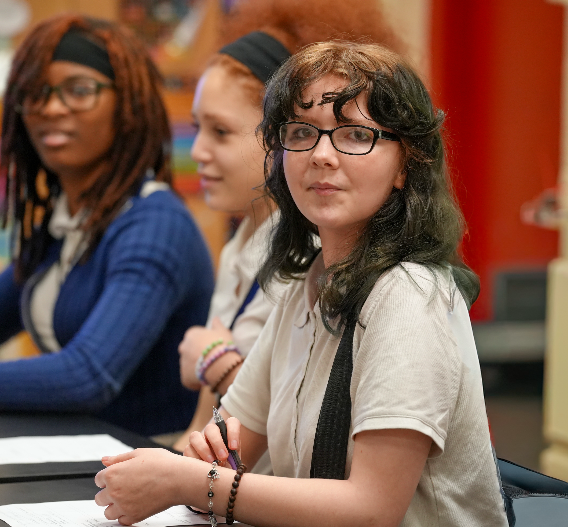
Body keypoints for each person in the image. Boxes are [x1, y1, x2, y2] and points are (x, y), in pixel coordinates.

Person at [94, 42, 508, 526]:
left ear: (406, 164)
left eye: (355, 135)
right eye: (301, 133)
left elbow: (372, 511)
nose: (322, 155)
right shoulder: (308, 284)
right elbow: (227, 449)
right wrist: (205, 464)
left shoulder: (408, 296)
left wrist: (195, 483)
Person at [0, 15, 214, 437]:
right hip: (79, 459)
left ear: (127, 107)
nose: (51, 108)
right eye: (36, 92)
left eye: (79, 90)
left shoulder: (155, 224)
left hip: (152, 468)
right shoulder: (68, 221)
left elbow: (86, 376)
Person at [173, 0, 403, 454]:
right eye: (197, 127)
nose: (197, 150)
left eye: (220, 132)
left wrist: (212, 360)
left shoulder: (319, 248)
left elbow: (302, 411)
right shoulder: (243, 241)